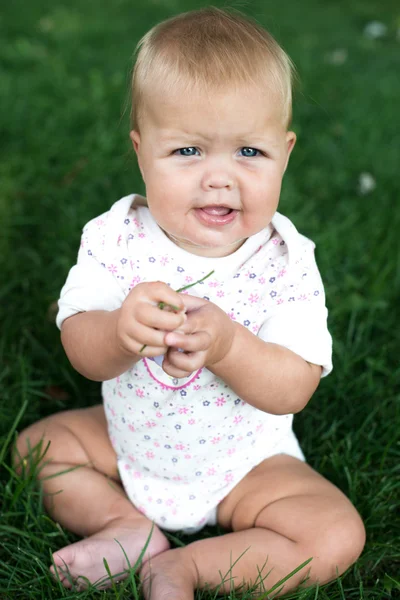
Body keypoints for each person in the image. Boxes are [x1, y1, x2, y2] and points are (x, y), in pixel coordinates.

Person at [15, 6, 365, 598]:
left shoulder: (285, 261)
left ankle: (186, 567)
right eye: (188, 152)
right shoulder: (115, 238)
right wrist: (120, 331)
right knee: (38, 449)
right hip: (129, 442)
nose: (218, 178)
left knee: (334, 533)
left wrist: (228, 345)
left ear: (285, 153)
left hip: (246, 465)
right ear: (141, 150)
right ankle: (125, 526)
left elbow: (294, 387)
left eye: (248, 153)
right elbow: (81, 348)